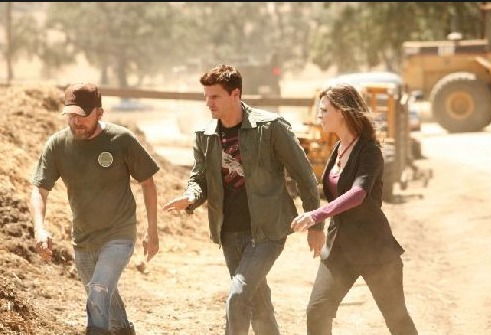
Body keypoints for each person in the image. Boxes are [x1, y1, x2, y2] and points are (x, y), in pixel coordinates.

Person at [162, 64, 324, 335]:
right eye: (206, 96)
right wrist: (190, 197)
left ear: (235, 93)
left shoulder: (271, 128)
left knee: (238, 295)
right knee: (258, 305)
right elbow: (199, 179)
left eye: (214, 96)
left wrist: (316, 224)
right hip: (229, 232)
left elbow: (304, 176)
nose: (207, 102)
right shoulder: (204, 136)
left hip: (267, 231)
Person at [29, 83, 160, 335]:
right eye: (71, 114)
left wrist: (151, 231)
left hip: (119, 235)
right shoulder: (57, 145)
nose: (76, 121)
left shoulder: (121, 140)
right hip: (83, 240)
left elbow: (148, 183)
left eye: (83, 115)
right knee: (105, 298)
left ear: (100, 113)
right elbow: (39, 190)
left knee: (99, 288)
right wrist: (40, 228)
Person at [291, 83, 418, 335]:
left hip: (375, 250)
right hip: (340, 251)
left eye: (324, 110)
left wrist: (317, 215)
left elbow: (358, 194)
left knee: (397, 320)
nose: (319, 116)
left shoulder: (369, 151)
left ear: (342, 112)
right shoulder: (338, 150)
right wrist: (317, 228)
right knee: (317, 311)